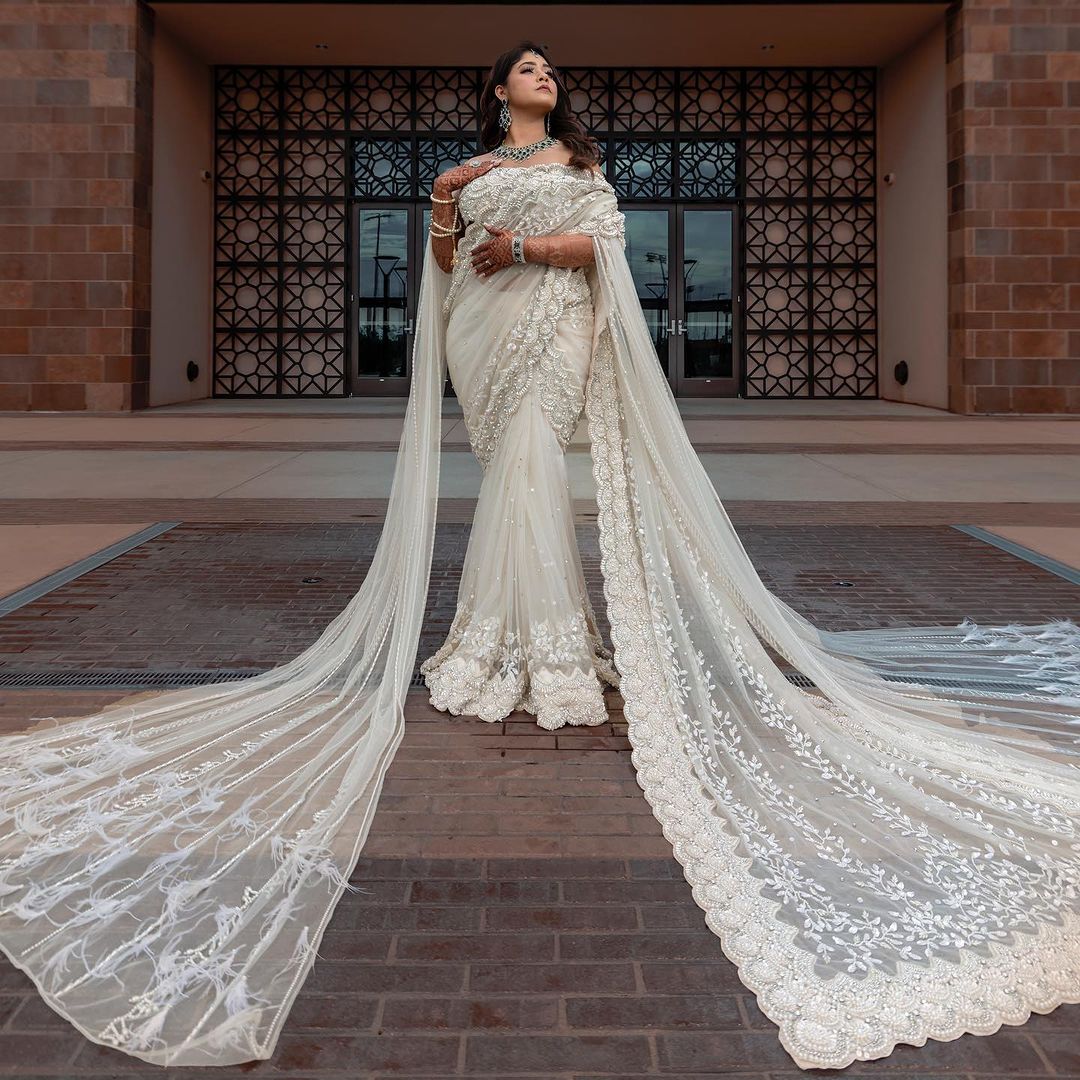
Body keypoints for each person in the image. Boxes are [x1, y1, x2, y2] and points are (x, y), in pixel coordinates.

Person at [1, 39, 1079, 1073]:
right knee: (508, 473)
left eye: (551, 69)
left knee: (529, 469)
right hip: (482, 336)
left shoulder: (581, 162)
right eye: (529, 67)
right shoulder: (465, 167)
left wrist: (521, 245)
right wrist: (441, 204)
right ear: (498, 88)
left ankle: (542, 650)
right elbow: (438, 268)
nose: (544, 77)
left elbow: (606, 248)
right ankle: (501, 633)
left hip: (555, 327)